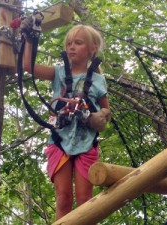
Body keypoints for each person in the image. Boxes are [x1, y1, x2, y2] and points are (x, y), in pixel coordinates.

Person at [21, 19, 111, 221]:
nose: (71, 47)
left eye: (78, 43)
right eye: (69, 43)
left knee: (85, 199)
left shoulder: (97, 81)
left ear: (92, 49)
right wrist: (28, 39)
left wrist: (100, 117)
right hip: (60, 141)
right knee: (63, 198)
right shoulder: (59, 73)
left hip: (86, 143)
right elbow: (28, 66)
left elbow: (107, 110)